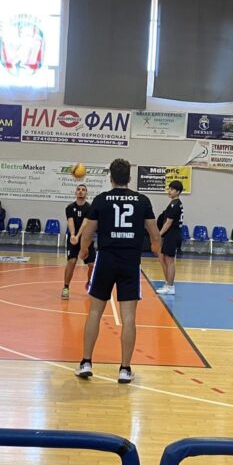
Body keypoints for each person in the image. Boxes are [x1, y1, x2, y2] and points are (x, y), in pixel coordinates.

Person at [75, 159, 159, 384]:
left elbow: (88, 233)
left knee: (95, 312)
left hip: (106, 259)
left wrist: (83, 250)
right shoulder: (142, 200)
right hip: (130, 262)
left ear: (110, 178)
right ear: (129, 178)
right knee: (128, 317)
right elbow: (154, 233)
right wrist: (156, 247)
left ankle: (86, 363)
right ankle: (124, 369)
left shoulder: (101, 200)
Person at [62, 185, 94, 299]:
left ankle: (89, 282)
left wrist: (78, 236)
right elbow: (70, 221)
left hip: (86, 238)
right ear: (75, 192)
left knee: (92, 265)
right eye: (78, 189)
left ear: (86, 193)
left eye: (83, 190)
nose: (80, 191)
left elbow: (85, 223)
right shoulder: (70, 207)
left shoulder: (90, 208)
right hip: (73, 238)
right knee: (72, 261)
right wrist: (73, 235)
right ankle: (66, 287)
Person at [156, 180, 185, 296]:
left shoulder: (175, 205)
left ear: (178, 192)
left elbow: (168, 223)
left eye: (172, 189)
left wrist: (159, 235)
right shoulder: (174, 203)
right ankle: (168, 283)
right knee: (164, 259)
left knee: (170, 261)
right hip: (171, 235)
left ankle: (170, 286)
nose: (169, 191)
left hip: (172, 235)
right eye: (169, 189)